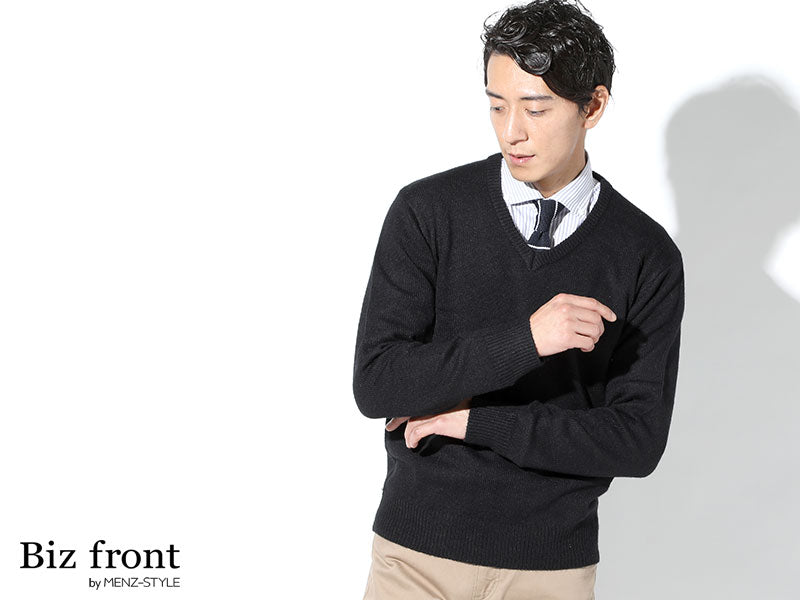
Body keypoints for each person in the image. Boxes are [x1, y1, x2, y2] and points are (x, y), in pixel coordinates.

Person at [352, 1, 685, 598]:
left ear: (593, 106)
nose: (512, 132)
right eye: (496, 105)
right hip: (416, 557)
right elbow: (378, 384)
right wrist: (528, 340)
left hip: (550, 570)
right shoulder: (428, 212)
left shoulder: (645, 254)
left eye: (535, 108)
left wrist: (474, 422)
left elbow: (636, 441)